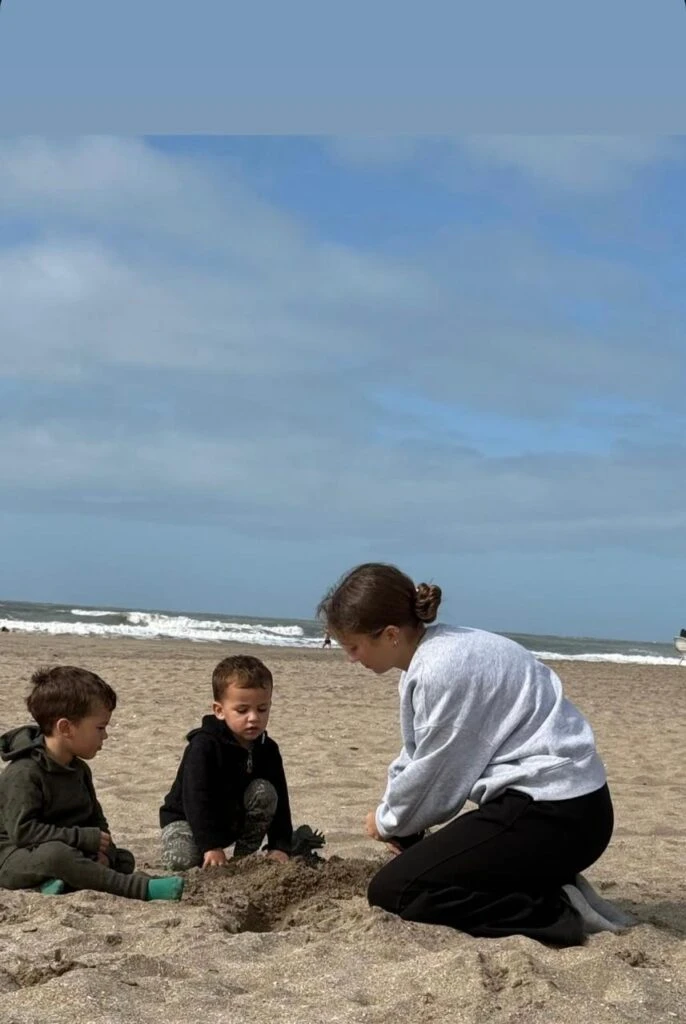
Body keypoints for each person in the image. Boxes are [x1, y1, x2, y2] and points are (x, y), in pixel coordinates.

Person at [317, 563, 635, 946]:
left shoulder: (441, 671)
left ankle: (553, 910)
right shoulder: (438, 653)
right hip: (572, 806)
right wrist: (396, 815)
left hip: (555, 813)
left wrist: (388, 821)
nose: (352, 658)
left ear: (390, 635)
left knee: (393, 892)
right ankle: (544, 880)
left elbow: (441, 778)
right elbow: (417, 752)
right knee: (418, 857)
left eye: (354, 647)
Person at [0, 666, 184, 902]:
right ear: (65, 728)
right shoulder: (24, 772)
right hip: (15, 856)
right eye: (100, 728)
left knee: (123, 858)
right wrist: (83, 839)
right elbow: (24, 832)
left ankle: (56, 884)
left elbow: (96, 820)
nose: (105, 736)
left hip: (66, 847)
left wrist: (103, 850)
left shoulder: (79, 769)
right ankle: (142, 889)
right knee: (57, 856)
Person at [159, 654, 293, 870]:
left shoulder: (268, 749)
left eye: (262, 709)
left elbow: (281, 800)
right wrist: (210, 845)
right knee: (180, 861)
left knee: (266, 792)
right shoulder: (204, 745)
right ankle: (209, 851)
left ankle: (243, 859)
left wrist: (280, 845)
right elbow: (196, 798)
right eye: (242, 710)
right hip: (186, 821)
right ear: (219, 711)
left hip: (231, 821)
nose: (253, 718)